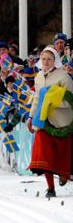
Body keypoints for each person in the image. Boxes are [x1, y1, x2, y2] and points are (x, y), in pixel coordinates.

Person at [27, 46, 73, 198]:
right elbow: (36, 99)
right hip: (43, 121)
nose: (46, 62)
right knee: (43, 153)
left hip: (62, 122)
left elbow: (70, 100)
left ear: (55, 60)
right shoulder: (39, 76)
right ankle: (50, 187)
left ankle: (63, 174)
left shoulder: (64, 76)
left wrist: (52, 103)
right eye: (43, 59)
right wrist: (30, 117)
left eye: (49, 59)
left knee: (62, 153)